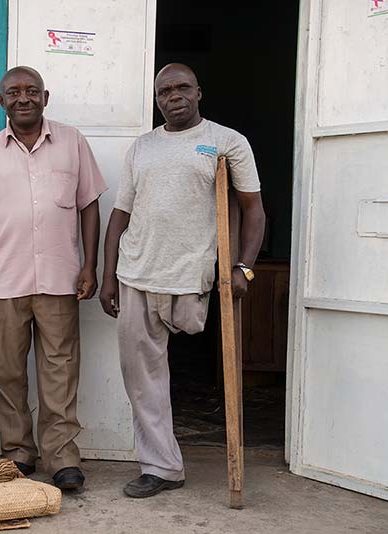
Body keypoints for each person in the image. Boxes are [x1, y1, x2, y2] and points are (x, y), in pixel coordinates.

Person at [99, 63, 266, 498]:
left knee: (187, 358)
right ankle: (162, 467)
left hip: (192, 275)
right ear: (157, 99)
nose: (173, 96)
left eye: (182, 88)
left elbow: (253, 208)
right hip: (136, 272)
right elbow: (120, 214)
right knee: (142, 376)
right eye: (164, 91)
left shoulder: (226, 142)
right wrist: (108, 275)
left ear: (198, 92)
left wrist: (244, 267)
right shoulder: (142, 147)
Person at [0, 66, 107, 491]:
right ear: (1, 101)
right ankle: (17, 453)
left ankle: (61, 457)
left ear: (45, 96)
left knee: (60, 370)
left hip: (61, 278)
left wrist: (90, 265)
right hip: (6, 278)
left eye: (31, 91)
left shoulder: (72, 142)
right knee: (8, 371)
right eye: (13, 93)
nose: (23, 98)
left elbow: (89, 206)